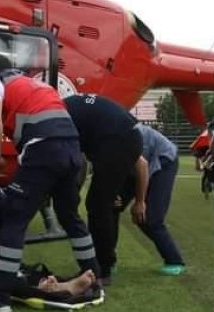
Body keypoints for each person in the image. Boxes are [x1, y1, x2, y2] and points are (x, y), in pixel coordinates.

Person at [0, 54, 102, 312]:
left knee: (14, 219)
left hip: (44, 150)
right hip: (72, 150)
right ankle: (93, 277)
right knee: (70, 216)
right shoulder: (35, 84)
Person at [61, 93, 143, 285]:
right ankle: (103, 264)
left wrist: (73, 195)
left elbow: (77, 161)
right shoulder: (70, 109)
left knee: (97, 205)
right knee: (101, 203)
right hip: (119, 138)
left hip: (118, 140)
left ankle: (102, 269)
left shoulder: (59, 115)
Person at [116, 123, 185, 275]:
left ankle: (174, 260)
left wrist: (140, 202)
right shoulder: (99, 136)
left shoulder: (125, 136)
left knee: (149, 218)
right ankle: (106, 260)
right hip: (135, 163)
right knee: (111, 207)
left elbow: (142, 166)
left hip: (162, 159)